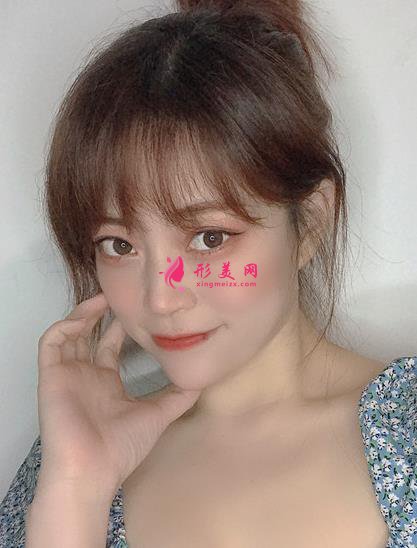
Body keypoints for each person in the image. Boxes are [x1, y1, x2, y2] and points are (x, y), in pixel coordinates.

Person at [0, 0, 416, 546]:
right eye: (119, 245)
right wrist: (77, 489)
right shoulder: (70, 459)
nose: (161, 298)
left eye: (209, 238)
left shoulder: (406, 432)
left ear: (311, 223)